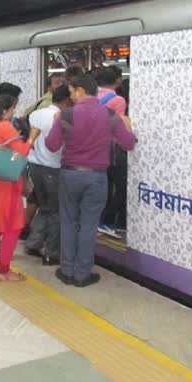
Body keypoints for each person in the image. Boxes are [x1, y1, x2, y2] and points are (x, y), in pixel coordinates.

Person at [45, 74, 137, 287]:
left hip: (70, 175)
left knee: (68, 222)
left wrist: (56, 127)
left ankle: (66, 270)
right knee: (89, 225)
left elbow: (51, 145)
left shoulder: (65, 115)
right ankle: (82, 274)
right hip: (96, 178)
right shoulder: (111, 115)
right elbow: (128, 143)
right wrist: (129, 127)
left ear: (80, 90)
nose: (70, 97)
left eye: (71, 92)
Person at [0, 95, 41, 282]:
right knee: (13, 226)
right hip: (6, 181)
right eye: (12, 109)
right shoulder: (4, 126)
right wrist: (32, 137)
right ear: (4, 111)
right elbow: (22, 152)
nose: (13, 113)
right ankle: (3, 271)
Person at [24, 85, 72, 266]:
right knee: (56, 212)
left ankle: (33, 243)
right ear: (67, 100)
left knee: (44, 207)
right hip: (53, 168)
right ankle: (52, 253)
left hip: (35, 167)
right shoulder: (59, 118)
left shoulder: (36, 114)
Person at [96, 68, 129, 234]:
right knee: (122, 186)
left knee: (104, 185)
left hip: (94, 147)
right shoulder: (118, 100)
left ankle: (98, 220)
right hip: (112, 148)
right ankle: (109, 220)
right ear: (118, 81)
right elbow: (118, 125)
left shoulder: (93, 97)